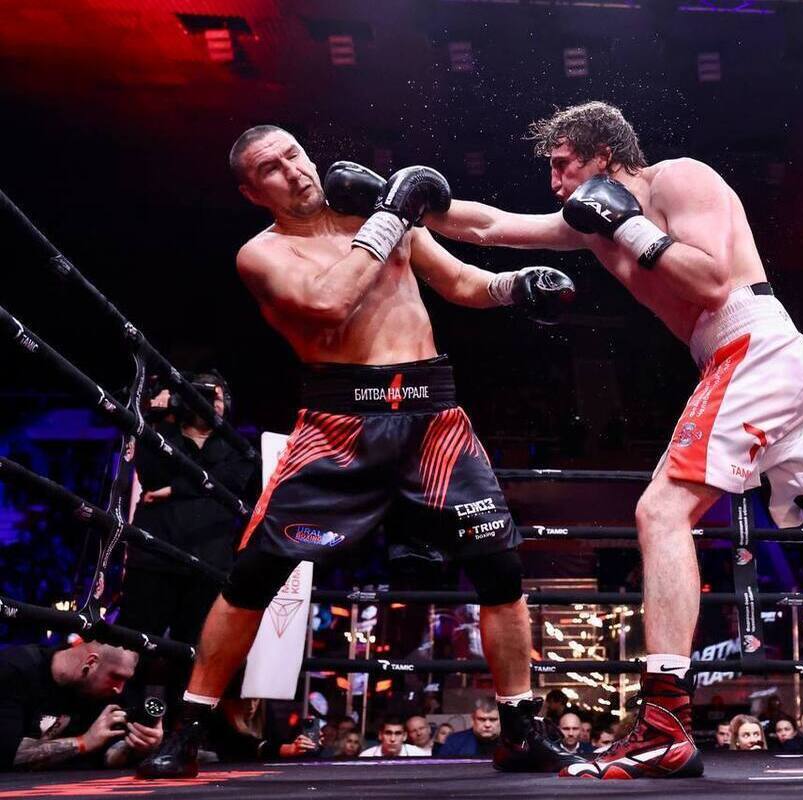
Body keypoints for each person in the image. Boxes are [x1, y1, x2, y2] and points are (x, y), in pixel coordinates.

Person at [424, 99, 803, 778]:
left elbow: (713, 281)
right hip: (756, 361)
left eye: (563, 164)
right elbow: (493, 225)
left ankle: (663, 722)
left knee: (661, 511)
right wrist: (414, 206)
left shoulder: (679, 180)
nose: (554, 181)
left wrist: (630, 223)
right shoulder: (590, 222)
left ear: (602, 154)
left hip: (752, 344)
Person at [137, 125, 580, 780]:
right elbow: (329, 303)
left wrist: (518, 285)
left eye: (294, 154)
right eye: (270, 168)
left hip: (432, 418)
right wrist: (391, 214)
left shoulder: (380, 214)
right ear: (251, 191)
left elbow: (460, 282)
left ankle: (520, 729)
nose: (292, 171)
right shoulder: (262, 254)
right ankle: (189, 730)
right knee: (253, 576)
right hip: (338, 425)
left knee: (500, 570)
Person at [122, 371, 256, 725]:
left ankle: (182, 732)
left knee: (194, 653)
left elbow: (230, 483)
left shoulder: (238, 448)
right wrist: (162, 416)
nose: (210, 402)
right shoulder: (160, 434)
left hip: (208, 565)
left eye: (217, 396)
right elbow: (150, 474)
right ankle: (120, 723)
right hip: (154, 559)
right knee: (133, 646)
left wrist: (174, 490)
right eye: (201, 395)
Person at [0, 641, 162, 770]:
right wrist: (84, 742)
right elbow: (7, 754)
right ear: (91, 663)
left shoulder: (99, 691)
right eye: (116, 677)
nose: (119, 689)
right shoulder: (15, 669)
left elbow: (107, 756)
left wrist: (139, 745)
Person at [360, 716, 425, 758]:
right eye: (388, 733)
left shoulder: (418, 755)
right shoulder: (366, 756)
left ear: (405, 736)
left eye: (398, 733)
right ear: (380, 735)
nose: (392, 739)